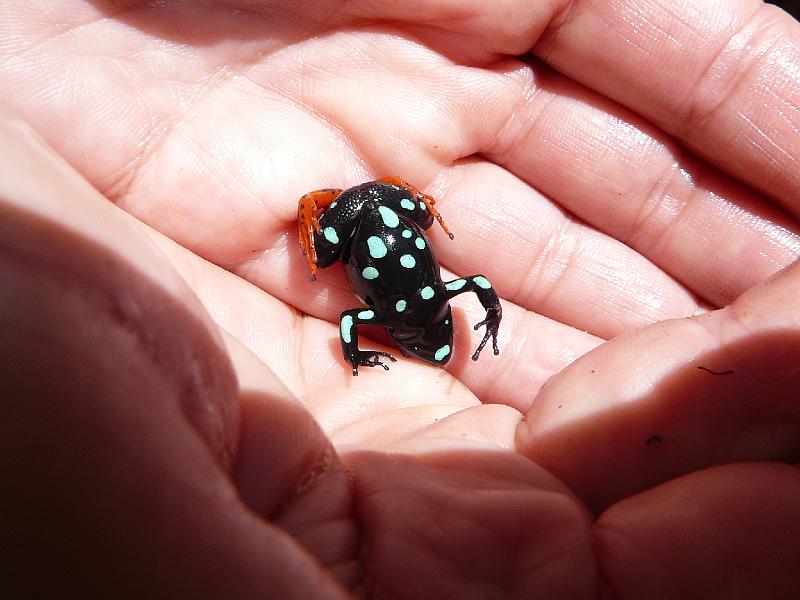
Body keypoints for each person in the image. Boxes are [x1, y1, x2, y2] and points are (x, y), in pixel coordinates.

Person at [1, 1, 799, 597]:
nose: (435, 340)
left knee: (332, 261)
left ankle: (348, 212)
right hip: (371, 207)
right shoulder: (401, 313)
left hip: (376, 208)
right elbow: (408, 304)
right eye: (434, 340)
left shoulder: (406, 311)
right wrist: (425, 336)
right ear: (417, 332)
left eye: (433, 341)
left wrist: (452, 331)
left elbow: (420, 301)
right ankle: (335, 212)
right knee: (326, 256)